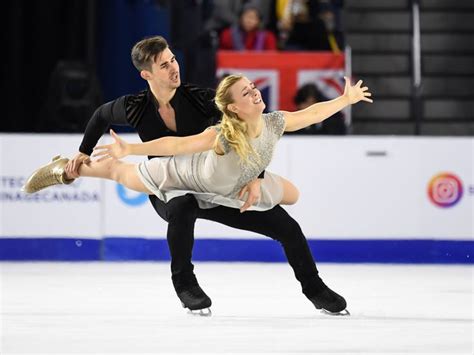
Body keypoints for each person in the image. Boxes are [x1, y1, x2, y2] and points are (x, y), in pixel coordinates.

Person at [23, 36, 371, 315]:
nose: (174, 67)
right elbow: (163, 140)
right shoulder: (136, 107)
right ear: (147, 74)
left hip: (221, 183)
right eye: (164, 64)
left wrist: (257, 175)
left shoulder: (207, 101)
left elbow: (276, 125)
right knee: (171, 199)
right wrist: (88, 150)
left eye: (173, 59)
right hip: (174, 177)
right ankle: (184, 284)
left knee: (287, 225)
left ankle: (315, 289)